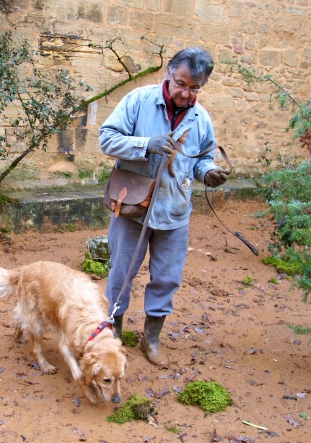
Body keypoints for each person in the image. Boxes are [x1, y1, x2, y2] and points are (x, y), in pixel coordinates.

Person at [99, 47, 230, 367]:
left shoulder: (201, 119)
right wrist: (146, 144)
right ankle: (112, 332)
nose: (186, 93)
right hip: (133, 207)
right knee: (121, 272)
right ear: (169, 75)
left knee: (167, 277)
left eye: (195, 88)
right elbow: (106, 139)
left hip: (174, 210)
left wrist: (208, 173)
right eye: (181, 84)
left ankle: (152, 337)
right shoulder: (138, 100)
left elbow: (202, 159)